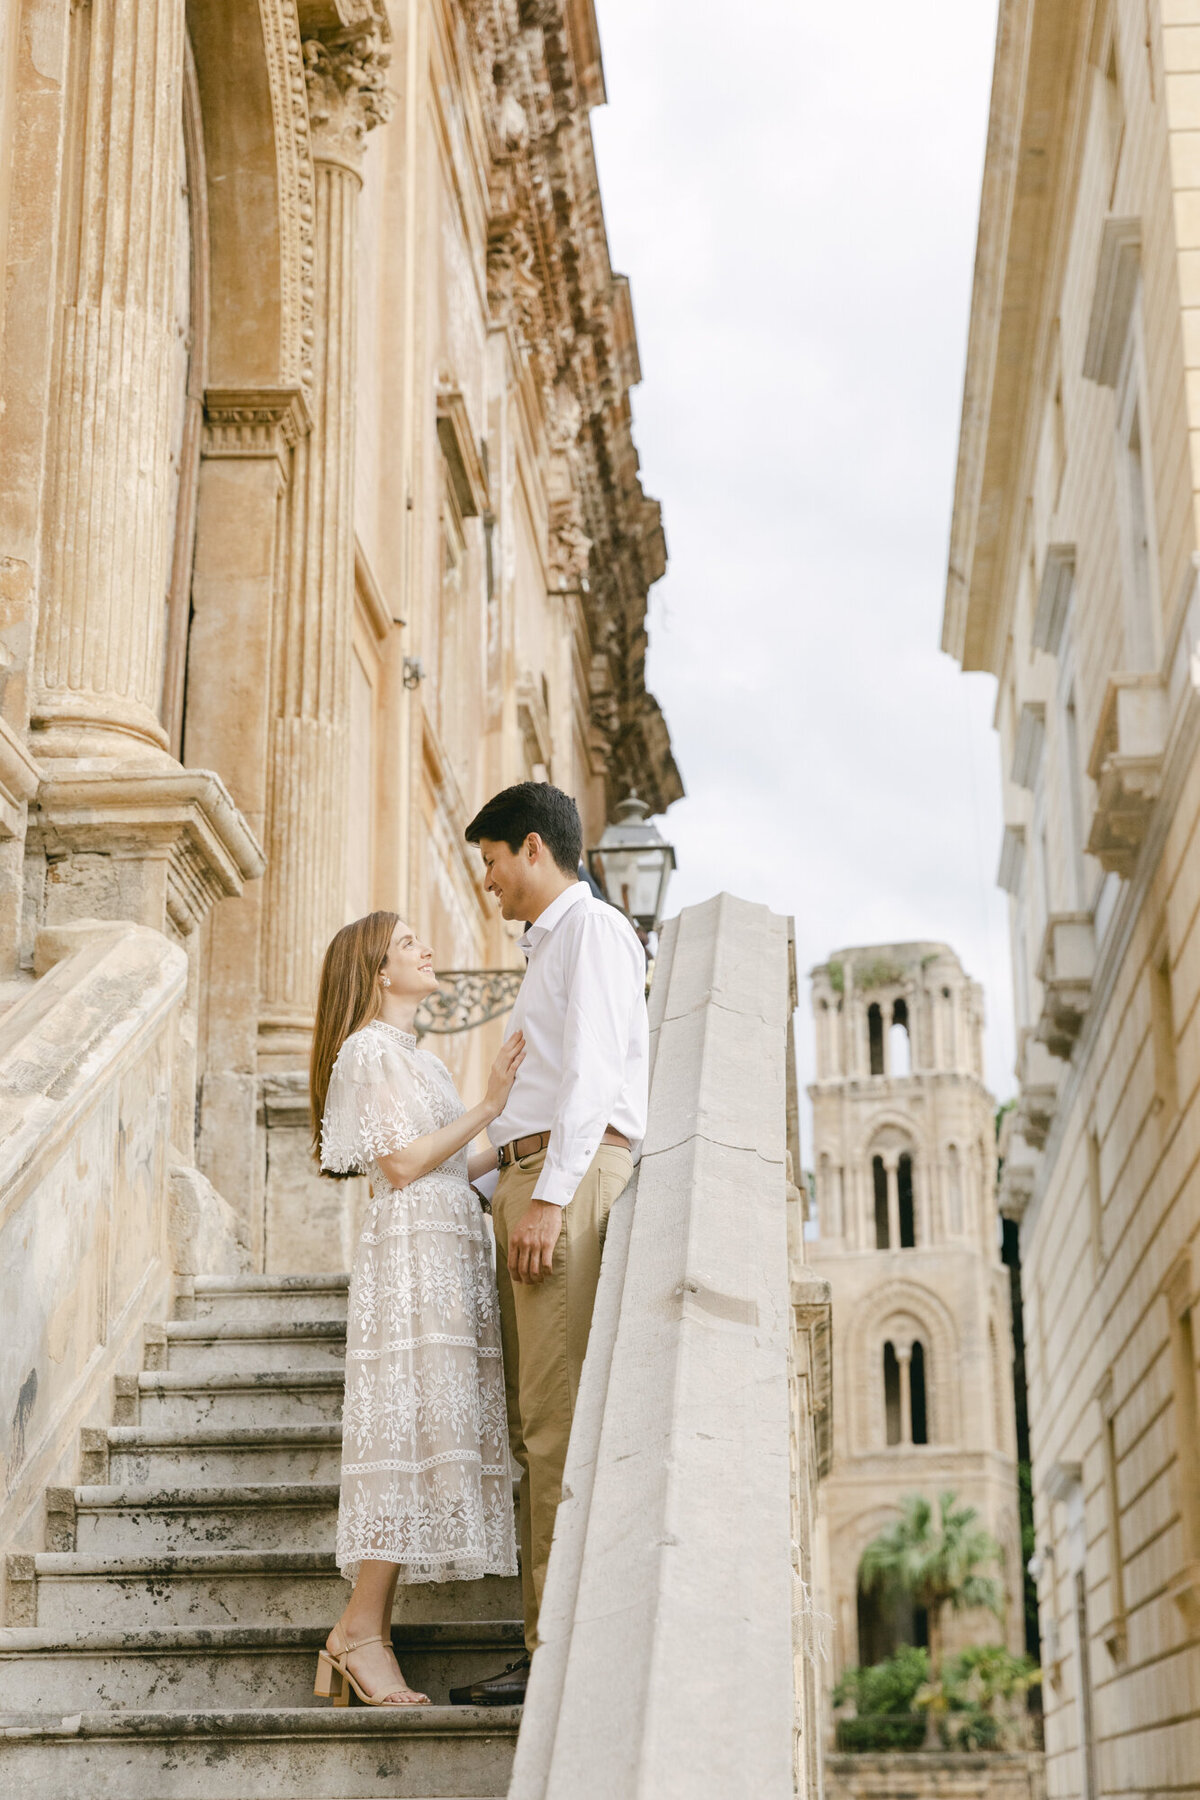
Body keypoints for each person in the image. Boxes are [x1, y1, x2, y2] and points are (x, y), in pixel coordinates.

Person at [449, 783, 647, 1706]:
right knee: (538, 1426)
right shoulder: (549, 948)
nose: (485, 881)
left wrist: (551, 1200)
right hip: (527, 1178)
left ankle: (554, 1652)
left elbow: (597, 1076)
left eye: (490, 861)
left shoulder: (593, 932)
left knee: (555, 1424)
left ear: (534, 848)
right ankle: (546, 1639)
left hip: (561, 1183)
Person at [309, 911, 524, 1707]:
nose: (426, 949)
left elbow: (453, 1160)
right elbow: (403, 1163)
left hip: (445, 1246)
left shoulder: (414, 1058)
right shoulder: (367, 1050)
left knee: (428, 1431)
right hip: (412, 1255)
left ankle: (362, 1630)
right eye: (407, 944)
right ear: (376, 971)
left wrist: (516, 1143)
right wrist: (492, 1102)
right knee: (404, 1431)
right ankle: (360, 1634)